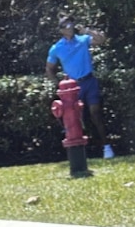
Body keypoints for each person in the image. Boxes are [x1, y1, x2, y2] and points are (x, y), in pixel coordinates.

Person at [45, 15, 114, 159]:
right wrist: (59, 85)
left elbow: (101, 40)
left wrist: (87, 30)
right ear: (61, 30)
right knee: (75, 119)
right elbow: (49, 69)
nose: (69, 28)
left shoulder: (82, 40)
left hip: (89, 81)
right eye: (65, 26)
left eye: (71, 24)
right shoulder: (56, 48)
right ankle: (82, 151)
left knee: (95, 112)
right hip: (73, 87)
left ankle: (106, 147)